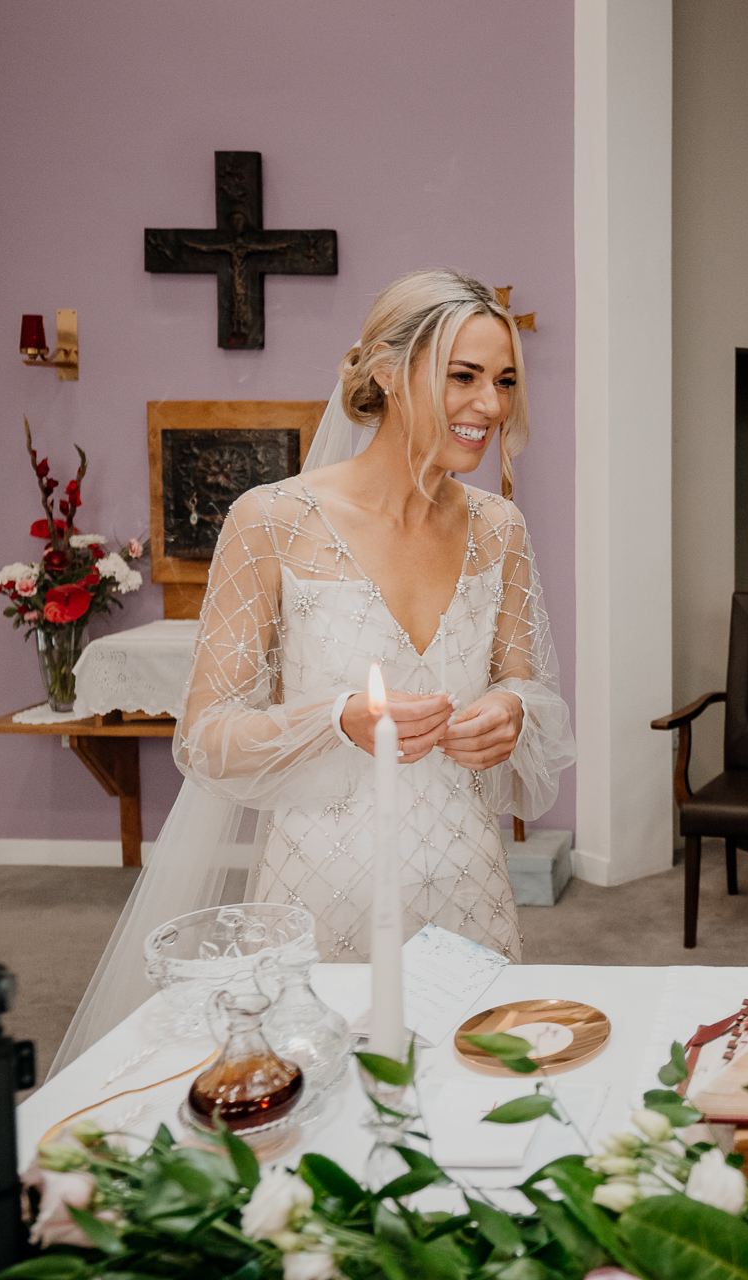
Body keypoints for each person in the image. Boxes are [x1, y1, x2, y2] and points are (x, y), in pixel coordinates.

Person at [56, 269, 575, 1069]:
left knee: (473, 1107)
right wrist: (339, 720)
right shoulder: (272, 520)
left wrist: (512, 712)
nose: (493, 406)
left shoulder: (499, 527)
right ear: (385, 376)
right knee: (322, 1119)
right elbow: (206, 739)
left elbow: (524, 683)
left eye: (503, 381)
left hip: (468, 883)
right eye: (462, 376)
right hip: (324, 890)